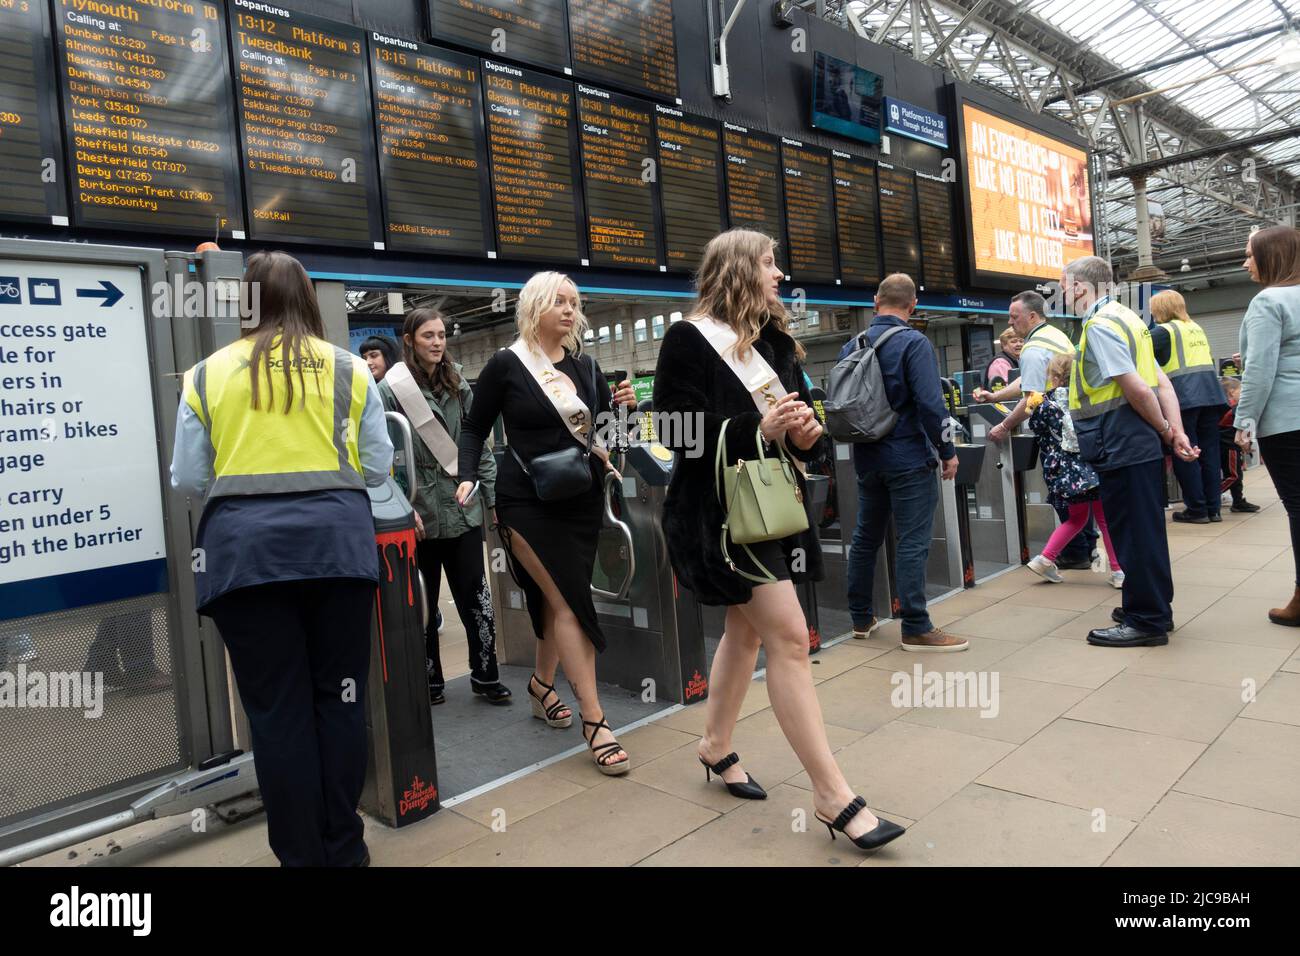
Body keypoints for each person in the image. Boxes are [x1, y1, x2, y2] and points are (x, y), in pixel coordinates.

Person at [654, 228, 906, 852]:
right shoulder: (687, 340)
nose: (778, 273)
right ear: (738, 270)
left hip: (769, 513)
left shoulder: (776, 343)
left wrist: (800, 430)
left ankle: (714, 747)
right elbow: (674, 431)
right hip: (716, 518)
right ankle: (832, 796)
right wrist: (752, 426)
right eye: (768, 263)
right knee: (790, 638)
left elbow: (804, 435)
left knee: (747, 633)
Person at [171, 251, 393, 866]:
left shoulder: (207, 375)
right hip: (339, 555)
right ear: (310, 300)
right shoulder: (350, 369)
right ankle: (344, 848)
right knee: (340, 700)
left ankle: (299, 856)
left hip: (246, 561)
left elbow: (189, 476)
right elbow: (376, 467)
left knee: (276, 713)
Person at [456, 272, 637, 773]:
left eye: (574, 303)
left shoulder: (587, 366)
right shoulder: (506, 365)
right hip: (524, 501)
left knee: (557, 599)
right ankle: (596, 722)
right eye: (558, 301)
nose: (569, 310)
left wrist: (629, 410)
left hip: (577, 499)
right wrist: (468, 473)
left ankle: (540, 687)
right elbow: (474, 426)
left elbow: (609, 436)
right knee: (569, 603)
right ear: (534, 306)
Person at [1061, 256, 1197, 648]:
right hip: (1136, 443)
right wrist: (1176, 433)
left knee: (1134, 533)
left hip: (1120, 441)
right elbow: (1163, 383)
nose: (1060, 293)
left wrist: (1165, 430)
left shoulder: (1100, 327)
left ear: (1080, 288)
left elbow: (1137, 388)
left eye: (1063, 285)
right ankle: (1153, 605)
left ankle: (1146, 620)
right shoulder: (1131, 319)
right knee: (1146, 530)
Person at [379, 309, 510, 705]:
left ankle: (486, 675)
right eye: (427, 336)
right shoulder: (390, 390)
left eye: (441, 335)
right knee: (422, 601)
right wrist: (401, 506)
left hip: (461, 506)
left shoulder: (458, 386)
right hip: (417, 513)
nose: (437, 343)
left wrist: (491, 499)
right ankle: (429, 680)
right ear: (409, 340)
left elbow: (479, 445)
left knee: (476, 595)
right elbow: (380, 458)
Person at [839, 273, 962, 650]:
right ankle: (916, 625)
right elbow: (930, 404)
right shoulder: (914, 342)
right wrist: (947, 451)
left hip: (867, 458)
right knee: (912, 541)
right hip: (908, 458)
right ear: (913, 306)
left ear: (876, 302)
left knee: (865, 538)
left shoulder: (852, 345)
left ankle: (861, 618)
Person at [982, 292, 1099, 569]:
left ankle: (1075, 552)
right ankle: (1090, 548)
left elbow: (1032, 397)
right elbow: (1030, 379)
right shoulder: (1054, 335)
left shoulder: (1034, 348)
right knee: (1084, 489)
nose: (1010, 322)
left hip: (1057, 436)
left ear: (1031, 316)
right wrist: (996, 397)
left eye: (1014, 316)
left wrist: (1004, 425)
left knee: (1065, 492)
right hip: (1077, 424)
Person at [1233, 225, 1300, 625]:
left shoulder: (1268, 301)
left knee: (1298, 507)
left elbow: (1260, 369)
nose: (1245, 262)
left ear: (1271, 257)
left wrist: (1245, 421)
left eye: (1250, 254)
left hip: (1288, 423)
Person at [1024, 354, 1123, 588]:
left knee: (1076, 518)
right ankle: (1119, 571)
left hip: (1063, 472)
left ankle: (1044, 559)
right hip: (1090, 466)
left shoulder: (1042, 403)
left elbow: (1037, 430)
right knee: (1104, 518)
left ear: (1054, 377)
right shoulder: (1086, 399)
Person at [1149, 290, 1228, 523]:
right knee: (1210, 453)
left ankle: (1197, 508)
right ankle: (1214, 508)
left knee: (1185, 452)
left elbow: (1135, 351)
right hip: (1211, 396)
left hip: (1184, 397)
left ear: (1161, 308)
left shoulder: (1163, 332)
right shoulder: (1195, 327)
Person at [1218, 377, 1259, 512]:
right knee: (1234, 476)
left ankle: (1238, 501)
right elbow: (1245, 425)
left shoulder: (1223, 406)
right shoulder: (1236, 408)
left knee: (1237, 474)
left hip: (1227, 445)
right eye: (1241, 391)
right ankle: (1212, 494)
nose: (1243, 394)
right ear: (1231, 392)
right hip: (1230, 446)